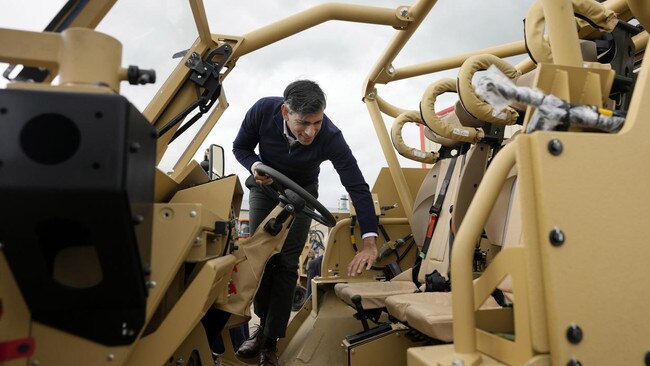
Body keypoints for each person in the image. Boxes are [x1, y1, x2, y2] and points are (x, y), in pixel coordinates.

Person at [232, 80, 378, 365]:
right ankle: (259, 328)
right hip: (265, 187)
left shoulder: (331, 137)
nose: (311, 132)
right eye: (304, 123)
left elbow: (357, 186)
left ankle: (270, 343)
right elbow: (241, 147)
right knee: (260, 258)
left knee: (286, 263)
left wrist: (369, 241)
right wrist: (255, 166)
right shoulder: (263, 110)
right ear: (285, 112)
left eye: (317, 122)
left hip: (302, 193)